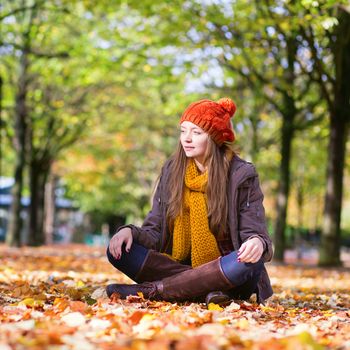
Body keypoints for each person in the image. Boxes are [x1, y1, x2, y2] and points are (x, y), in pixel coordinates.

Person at [106, 97, 273, 306]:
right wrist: (129, 231)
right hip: (179, 263)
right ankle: (207, 291)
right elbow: (155, 230)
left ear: (213, 137)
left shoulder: (241, 174)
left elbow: (254, 231)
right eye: (183, 131)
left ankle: (152, 290)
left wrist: (257, 242)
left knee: (248, 262)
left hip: (228, 270)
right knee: (120, 252)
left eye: (196, 132)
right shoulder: (172, 170)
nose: (187, 138)